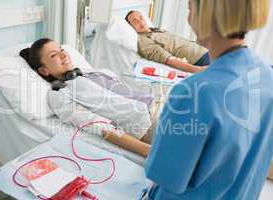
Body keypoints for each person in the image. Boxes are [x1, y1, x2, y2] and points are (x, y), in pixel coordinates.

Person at [143, 0, 273, 199]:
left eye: (189, 8)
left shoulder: (193, 93)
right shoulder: (267, 77)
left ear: (206, 14)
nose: (188, 16)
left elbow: (165, 177)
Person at [20, 38, 165, 157]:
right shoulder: (59, 94)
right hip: (151, 123)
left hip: (163, 106)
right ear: (44, 70)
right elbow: (100, 127)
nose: (64, 55)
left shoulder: (90, 72)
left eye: (61, 50)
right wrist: (148, 151)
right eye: (53, 55)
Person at [125, 10, 210, 74]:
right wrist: (197, 70)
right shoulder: (143, 40)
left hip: (208, 51)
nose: (140, 22)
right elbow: (168, 59)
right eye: (135, 21)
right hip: (201, 60)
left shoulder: (156, 30)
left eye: (141, 18)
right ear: (131, 27)